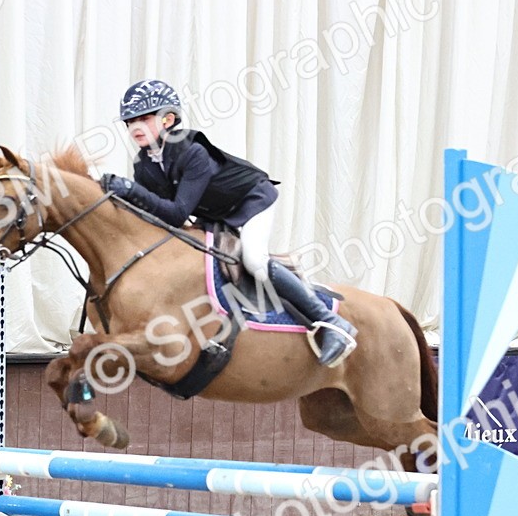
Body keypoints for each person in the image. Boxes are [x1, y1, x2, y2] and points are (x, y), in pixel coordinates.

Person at [99, 79, 356, 367]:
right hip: (215, 212)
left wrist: (132, 191)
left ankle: (331, 321)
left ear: (168, 119)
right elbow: (156, 217)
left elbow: (177, 214)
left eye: (144, 119)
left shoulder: (192, 151)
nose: (134, 126)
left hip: (252, 199)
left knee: (254, 260)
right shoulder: (143, 165)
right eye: (130, 121)